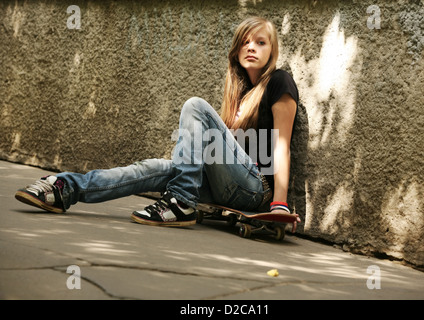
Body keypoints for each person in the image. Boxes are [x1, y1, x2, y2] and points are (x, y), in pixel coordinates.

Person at [15, 16, 299, 228]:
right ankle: (66, 187)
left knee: (195, 106)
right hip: (224, 185)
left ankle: (180, 202)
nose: (252, 47)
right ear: (236, 50)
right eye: (245, 42)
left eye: (261, 43)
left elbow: (281, 146)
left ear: (272, 51)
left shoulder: (279, 82)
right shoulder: (237, 94)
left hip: (254, 189)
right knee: (154, 168)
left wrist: (280, 205)